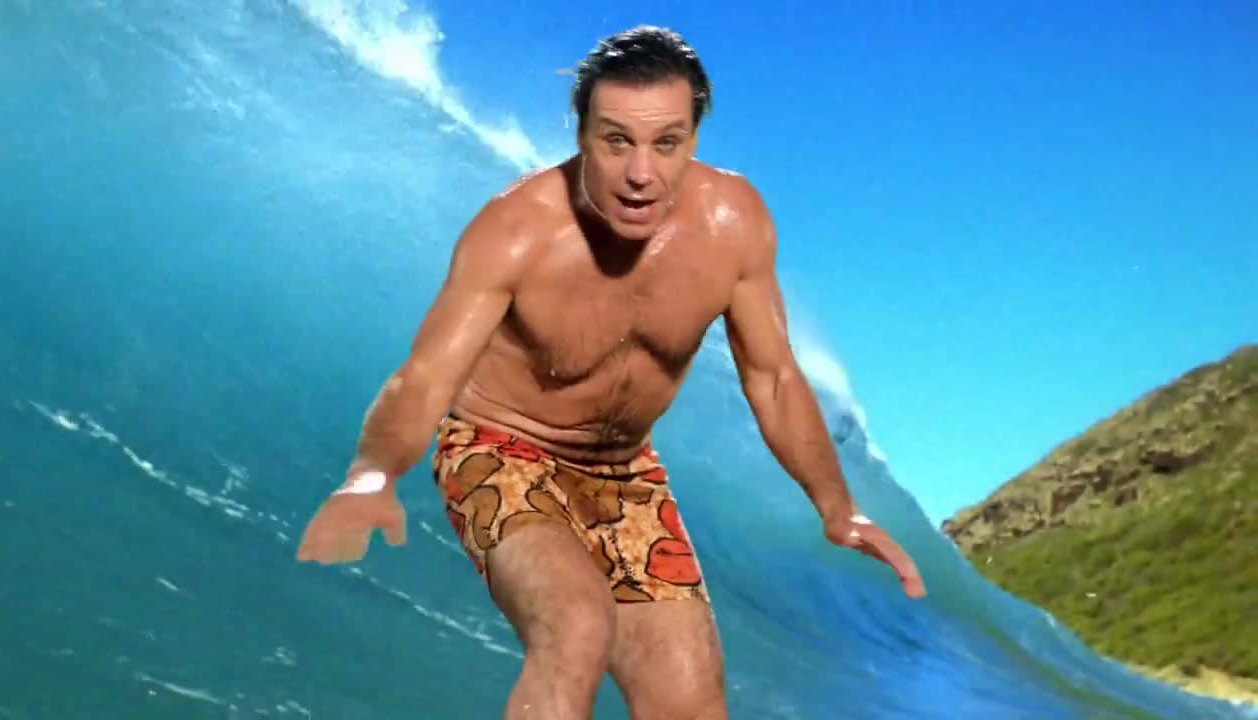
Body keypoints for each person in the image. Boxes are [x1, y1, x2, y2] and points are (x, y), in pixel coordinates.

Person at [295, 24, 925, 720]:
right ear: (581, 133)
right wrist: (373, 473)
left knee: (690, 704)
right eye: (616, 140)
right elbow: (426, 376)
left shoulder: (733, 224)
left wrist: (838, 507)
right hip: (499, 449)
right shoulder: (518, 229)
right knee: (576, 628)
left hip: (626, 476)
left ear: (694, 138)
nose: (640, 173)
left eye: (667, 143)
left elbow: (773, 378)